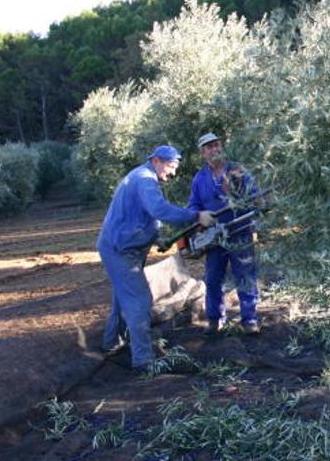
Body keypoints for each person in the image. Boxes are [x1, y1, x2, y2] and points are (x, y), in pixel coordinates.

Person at [98, 145, 215, 371]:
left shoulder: (143, 177)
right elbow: (159, 209)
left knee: (124, 297)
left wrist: (157, 237)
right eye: (171, 167)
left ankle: (111, 342)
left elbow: (145, 215)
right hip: (120, 250)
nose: (173, 173)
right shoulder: (144, 179)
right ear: (157, 161)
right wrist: (196, 216)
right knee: (139, 301)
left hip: (126, 246)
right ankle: (143, 361)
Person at [188, 132, 262, 335]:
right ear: (203, 153)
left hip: (240, 231)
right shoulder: (199, 178)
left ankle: (249, 320)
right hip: (214, 238)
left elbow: (256, 198)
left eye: (217, 145)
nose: (214, 149)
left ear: (222, 147)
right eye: (209, 147)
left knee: (245, 275)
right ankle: (215, 319)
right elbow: (193, 205)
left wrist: (238, 189)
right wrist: (198, 217)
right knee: (213, 279)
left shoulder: (239, 171)